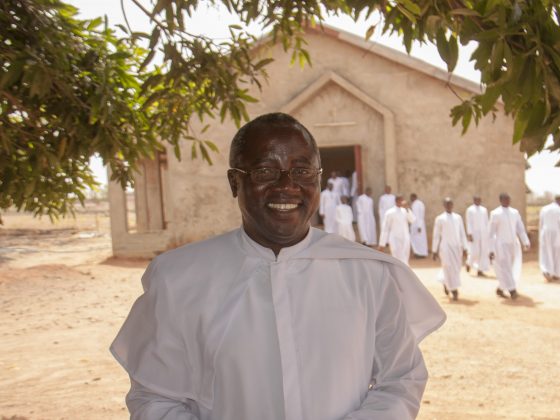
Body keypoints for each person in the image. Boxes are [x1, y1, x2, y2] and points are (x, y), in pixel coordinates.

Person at [110, 113, 445, 419]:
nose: (287, 186)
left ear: (318, 180)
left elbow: (401, 378)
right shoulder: (179, 279)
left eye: (301, 171)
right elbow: (155, 398)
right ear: (234, 182)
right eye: (265, 171)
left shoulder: (369, 275)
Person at [488, 193, 531, 299]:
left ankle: (501, 288)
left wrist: (525, 242)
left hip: (513, 244)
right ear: (501, 200)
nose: (507, 201)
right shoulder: (495, 213)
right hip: (501, 245)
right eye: (505, 199)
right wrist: (491, 249)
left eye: (508, 199)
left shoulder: (514, 212)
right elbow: (491, 233)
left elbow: (520, 229)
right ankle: (512, 290)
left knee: (510, 267)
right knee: (505, 267)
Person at [432, 197, 468, 301]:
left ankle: (445, 282)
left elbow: (462, 233)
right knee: (447, 266)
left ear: (453, 205)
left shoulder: (458, 218)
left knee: (456, 268)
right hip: (445, 247)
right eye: (447, 204)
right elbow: (436, 235)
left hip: (457, 248)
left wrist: (465, 248)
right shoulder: (440, 219)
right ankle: (454, 290)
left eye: (450, 204)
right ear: (444, 206)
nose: (449, 206)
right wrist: (434, 250)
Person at [379, 195, 415, 265]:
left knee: (405, 257)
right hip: (394, 239)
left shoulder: (405, 211)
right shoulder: (390, 212)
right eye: (400, 200)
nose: (402, 202)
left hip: (405, 238)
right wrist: (382, 243)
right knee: (396, 258)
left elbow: (412, 220)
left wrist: (407, 209)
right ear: (396, 201)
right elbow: (385, 229)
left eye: (403, 200)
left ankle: (404, 274)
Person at [538, 195, 560, 282]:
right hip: (556, 233)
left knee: (546, 252)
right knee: (557, 253)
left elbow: (541, 223)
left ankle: (547, 271)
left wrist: (540, 235)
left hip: (545, 231)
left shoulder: (544, 209)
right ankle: (556, 273)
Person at [465, 196, 491, 276]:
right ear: (474, 200)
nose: (478, 201)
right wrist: (469, 233)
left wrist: (488, 233)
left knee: (483, 251)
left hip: (483, 233)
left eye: (479, 200)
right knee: (474, 251)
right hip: (474, 233)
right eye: (476, 200)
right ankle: (469, 263)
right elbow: (468, 222)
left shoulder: (484, 210)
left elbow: (486, 222)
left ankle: (480, 270)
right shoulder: (470, 210)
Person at [410, 193, 429, 258]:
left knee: (418, 239)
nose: (410, 199)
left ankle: (419, 253)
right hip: (417, 224)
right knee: (419, 239)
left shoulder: (416, 204)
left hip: (417, 225)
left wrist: (419, 226)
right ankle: (419, 253)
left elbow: (418, 216)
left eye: (411, 197)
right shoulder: (418, 203)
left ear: (414, 197)